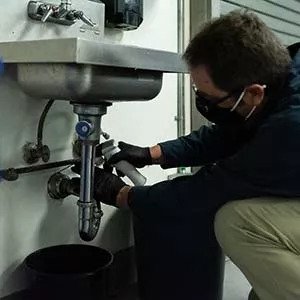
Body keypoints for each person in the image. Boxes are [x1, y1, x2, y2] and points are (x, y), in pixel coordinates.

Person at [74, 10, 300, 300]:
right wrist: (152, 154)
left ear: (254, 93)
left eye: (209, 98)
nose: (203, 103)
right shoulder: (281, 78)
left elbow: (209, 189)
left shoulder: (290, 126)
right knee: (268, 284)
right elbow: (229, 133)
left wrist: (123, 195)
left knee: (237, 220)